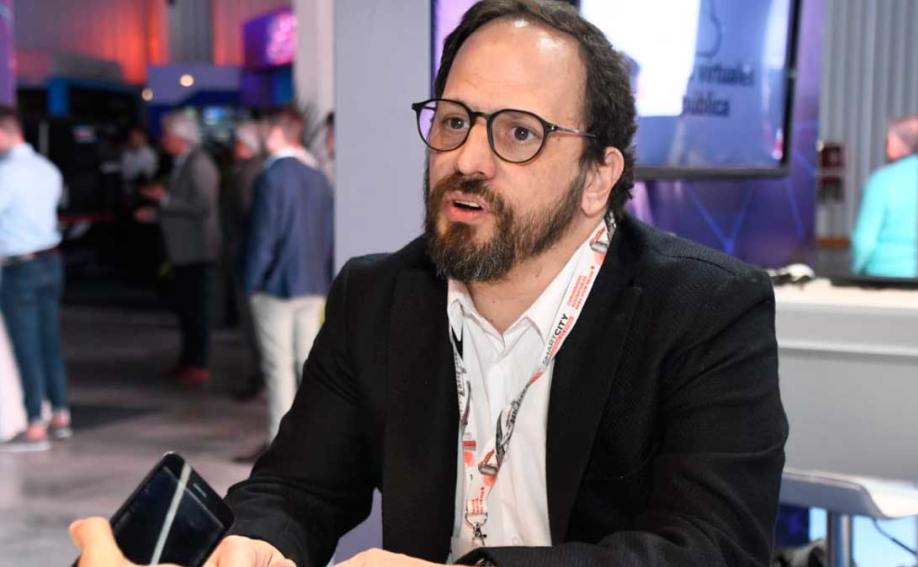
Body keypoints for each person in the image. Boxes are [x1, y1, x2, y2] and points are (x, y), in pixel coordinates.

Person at [74, 1, 786, 565]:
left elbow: (714, 548)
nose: (467, 158)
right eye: (454, 121)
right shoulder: (377, 296)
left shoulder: (704, 309)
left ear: (598, 177)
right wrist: (258, 543)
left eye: (518, 132)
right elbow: (295, 486)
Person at [242, 106, 334, 454]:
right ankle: (313, 444)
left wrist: (251, 282)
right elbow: (327, 236)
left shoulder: (272, 177)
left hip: (277, 287)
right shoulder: (318, 177)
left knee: (278, 369)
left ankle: (281, 449)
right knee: (308, 368)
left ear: (276, 133)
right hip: (313, 283)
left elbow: (263, 238)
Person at [0, 105, 71, 453]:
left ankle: (34, 425)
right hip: (50, 261)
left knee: (26, 344)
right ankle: (60, 413)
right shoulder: (47, 169)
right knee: (48, 340)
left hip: (20, 267)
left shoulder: (6, 173)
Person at [135, 111, 221, 385]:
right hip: (185, 250)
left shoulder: (199, 164)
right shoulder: (184, 162)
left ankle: (198, 364)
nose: (163, 139)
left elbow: (202, 205)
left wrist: (165, 200)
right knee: (187, 309)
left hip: (198, 250)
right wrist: (157, 213)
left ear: (180, 137)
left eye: (167, 135)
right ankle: (189, 361)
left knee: (197, 310)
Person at [220, 121, 266, 401]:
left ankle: (260, 379)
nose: (233, 147)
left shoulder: (248, 174)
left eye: (237, 142)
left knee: (253, 326)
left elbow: (248, 220)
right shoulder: (255, 170)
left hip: (247, 258)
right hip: (247, 256)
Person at [851, 115, 918, 278]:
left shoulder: (881, 181)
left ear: (894, 142)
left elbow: (864, 243)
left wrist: (855, 271)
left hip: (883, 275)